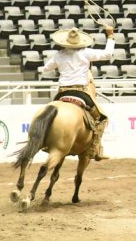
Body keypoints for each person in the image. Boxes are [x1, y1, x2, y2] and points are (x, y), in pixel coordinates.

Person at [41, 25, 115, 161]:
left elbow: (45, 69)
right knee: (101, 118)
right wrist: (110, 36)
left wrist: (59, 65)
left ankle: (45, 142)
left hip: (62, 92)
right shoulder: (86, 53)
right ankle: (95, 149)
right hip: (81, 91)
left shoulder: (59, 55)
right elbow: (108, 54)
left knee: (48, 114)